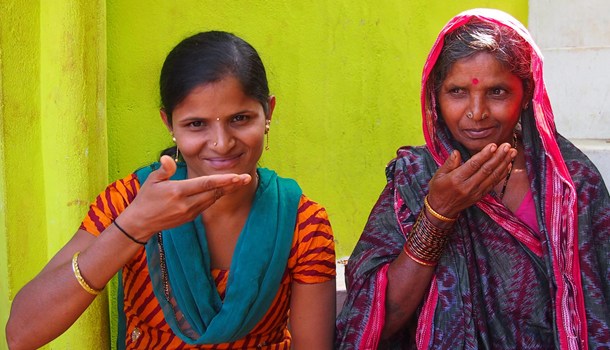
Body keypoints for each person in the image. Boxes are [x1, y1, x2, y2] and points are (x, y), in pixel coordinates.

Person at [7, 31, 336, 350]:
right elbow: (21, 334)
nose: (221, 143)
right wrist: (133, 227)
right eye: (196, 124)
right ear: (169, 124)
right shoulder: (129, 201)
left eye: (240, 118)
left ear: (269, 113)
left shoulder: (303, 224)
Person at [336, 8, 610, 349]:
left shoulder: (571, 185)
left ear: (526, 94)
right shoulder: (416, 178)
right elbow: (378, 319)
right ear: (435, 96)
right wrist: (438, 212)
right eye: (457, 92)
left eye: (497, 92)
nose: (476, 112)